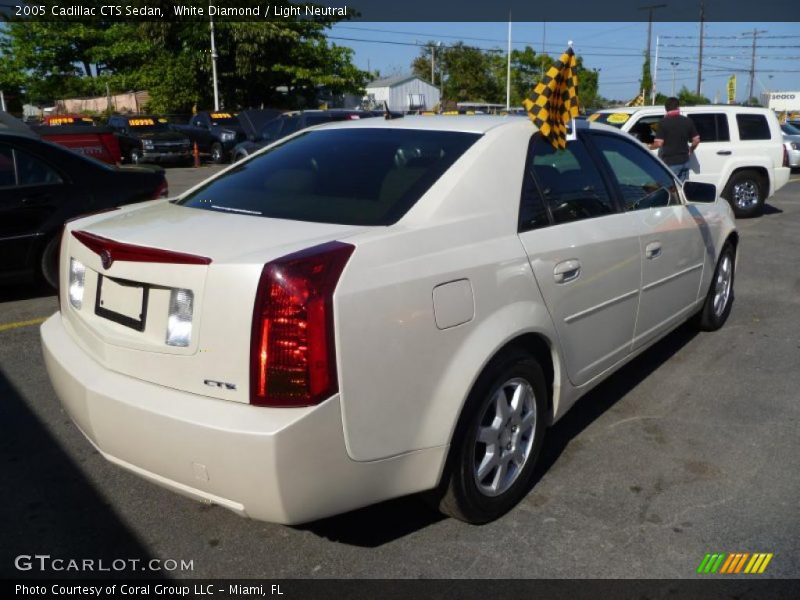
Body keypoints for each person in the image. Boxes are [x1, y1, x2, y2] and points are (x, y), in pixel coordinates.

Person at [650, 97, 700, 182]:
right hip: (685, 161)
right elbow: (696, 140)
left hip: (671, 163)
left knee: (671, 187)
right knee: (682, 187)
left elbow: (658, 144)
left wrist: (648, 147)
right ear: (678, 107)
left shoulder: (663, 122)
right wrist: (691, 149)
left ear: (666, 109)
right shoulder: (687, 121)